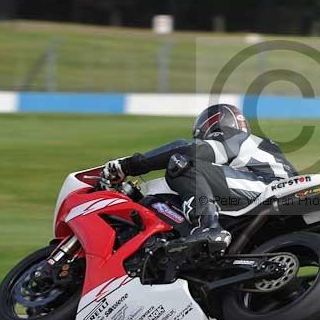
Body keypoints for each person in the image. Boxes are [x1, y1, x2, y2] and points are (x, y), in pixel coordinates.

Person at [101, 103, 299, 252]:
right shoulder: (252, 150)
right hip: (268, 196)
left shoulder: (231, 137)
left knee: (182, 163)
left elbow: (188, 150)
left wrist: (128, 166)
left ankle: (208, 227)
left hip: (269, 188)